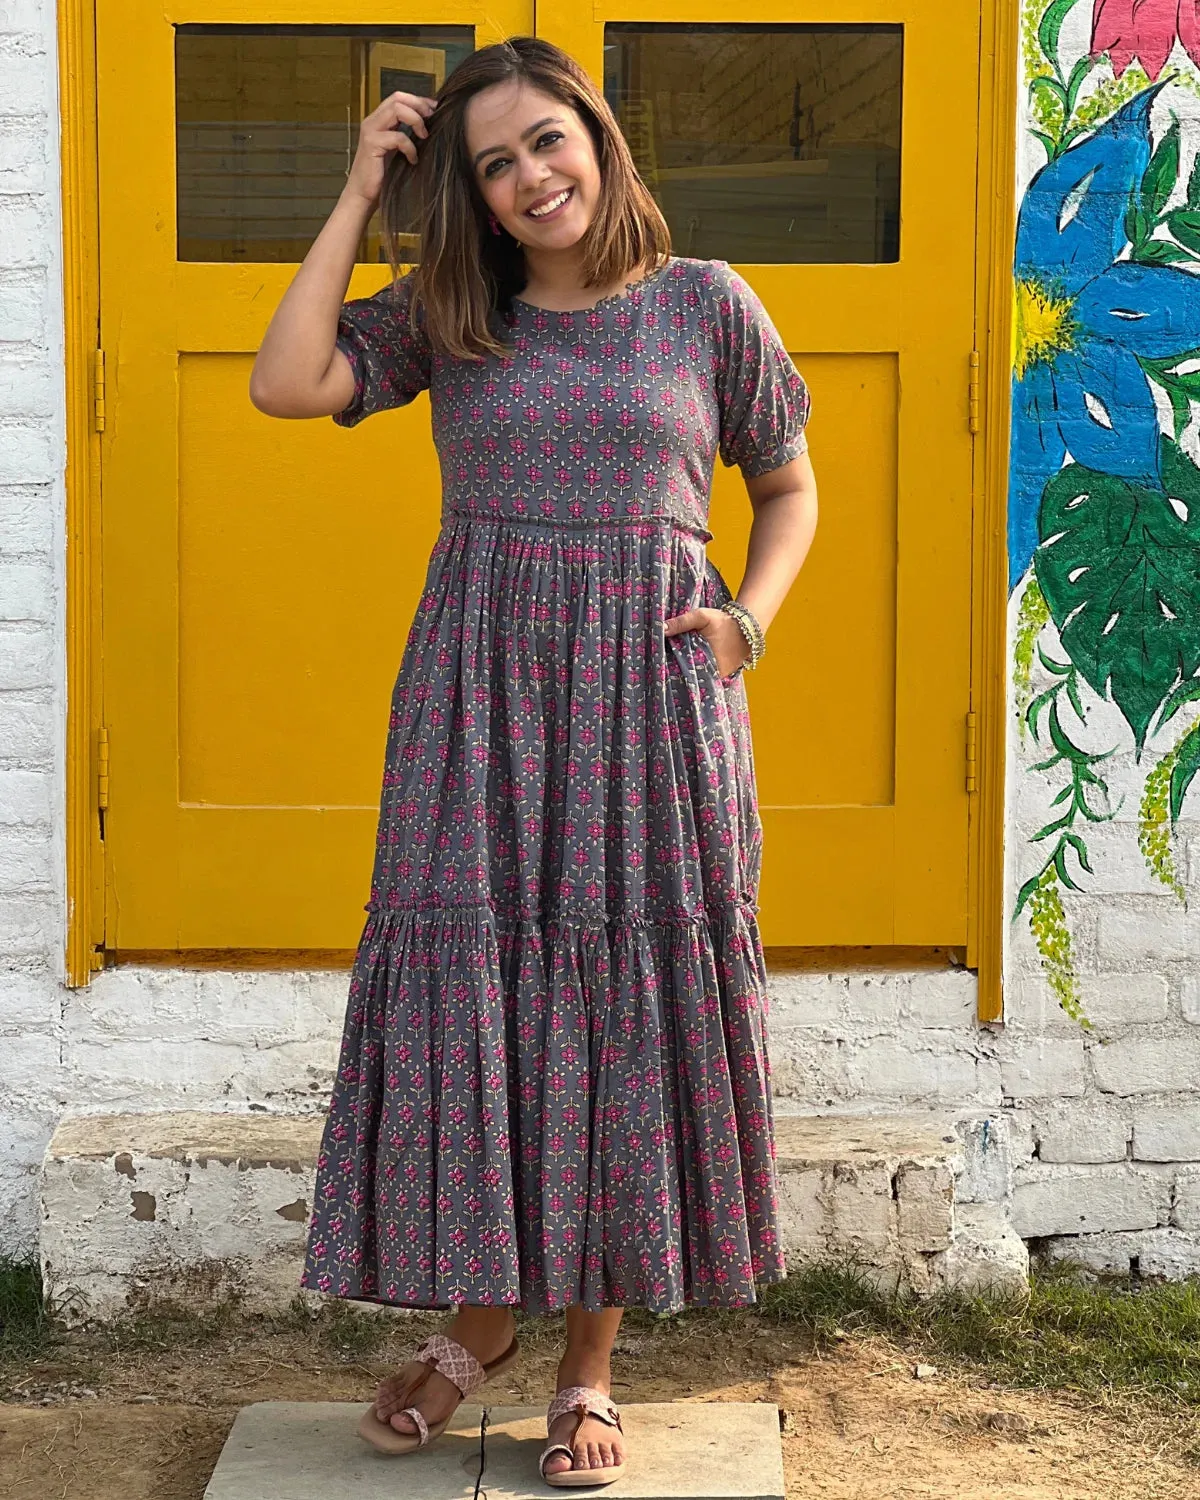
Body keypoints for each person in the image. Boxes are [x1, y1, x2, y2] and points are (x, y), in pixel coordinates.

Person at [249, 33, 818, 1487]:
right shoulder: (453, 313)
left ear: (598, 136)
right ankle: (480, 1320)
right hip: (478, 702)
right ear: (474, 196)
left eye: (545, 142)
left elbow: (790, 481)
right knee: (491, 999)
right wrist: (358, 186)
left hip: (651, 699)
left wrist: (747, 619)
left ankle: (587, 1362)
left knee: (618, 1001)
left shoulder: (705, 306)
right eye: (492, 164)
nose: (527, 178)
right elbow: (287, 382)